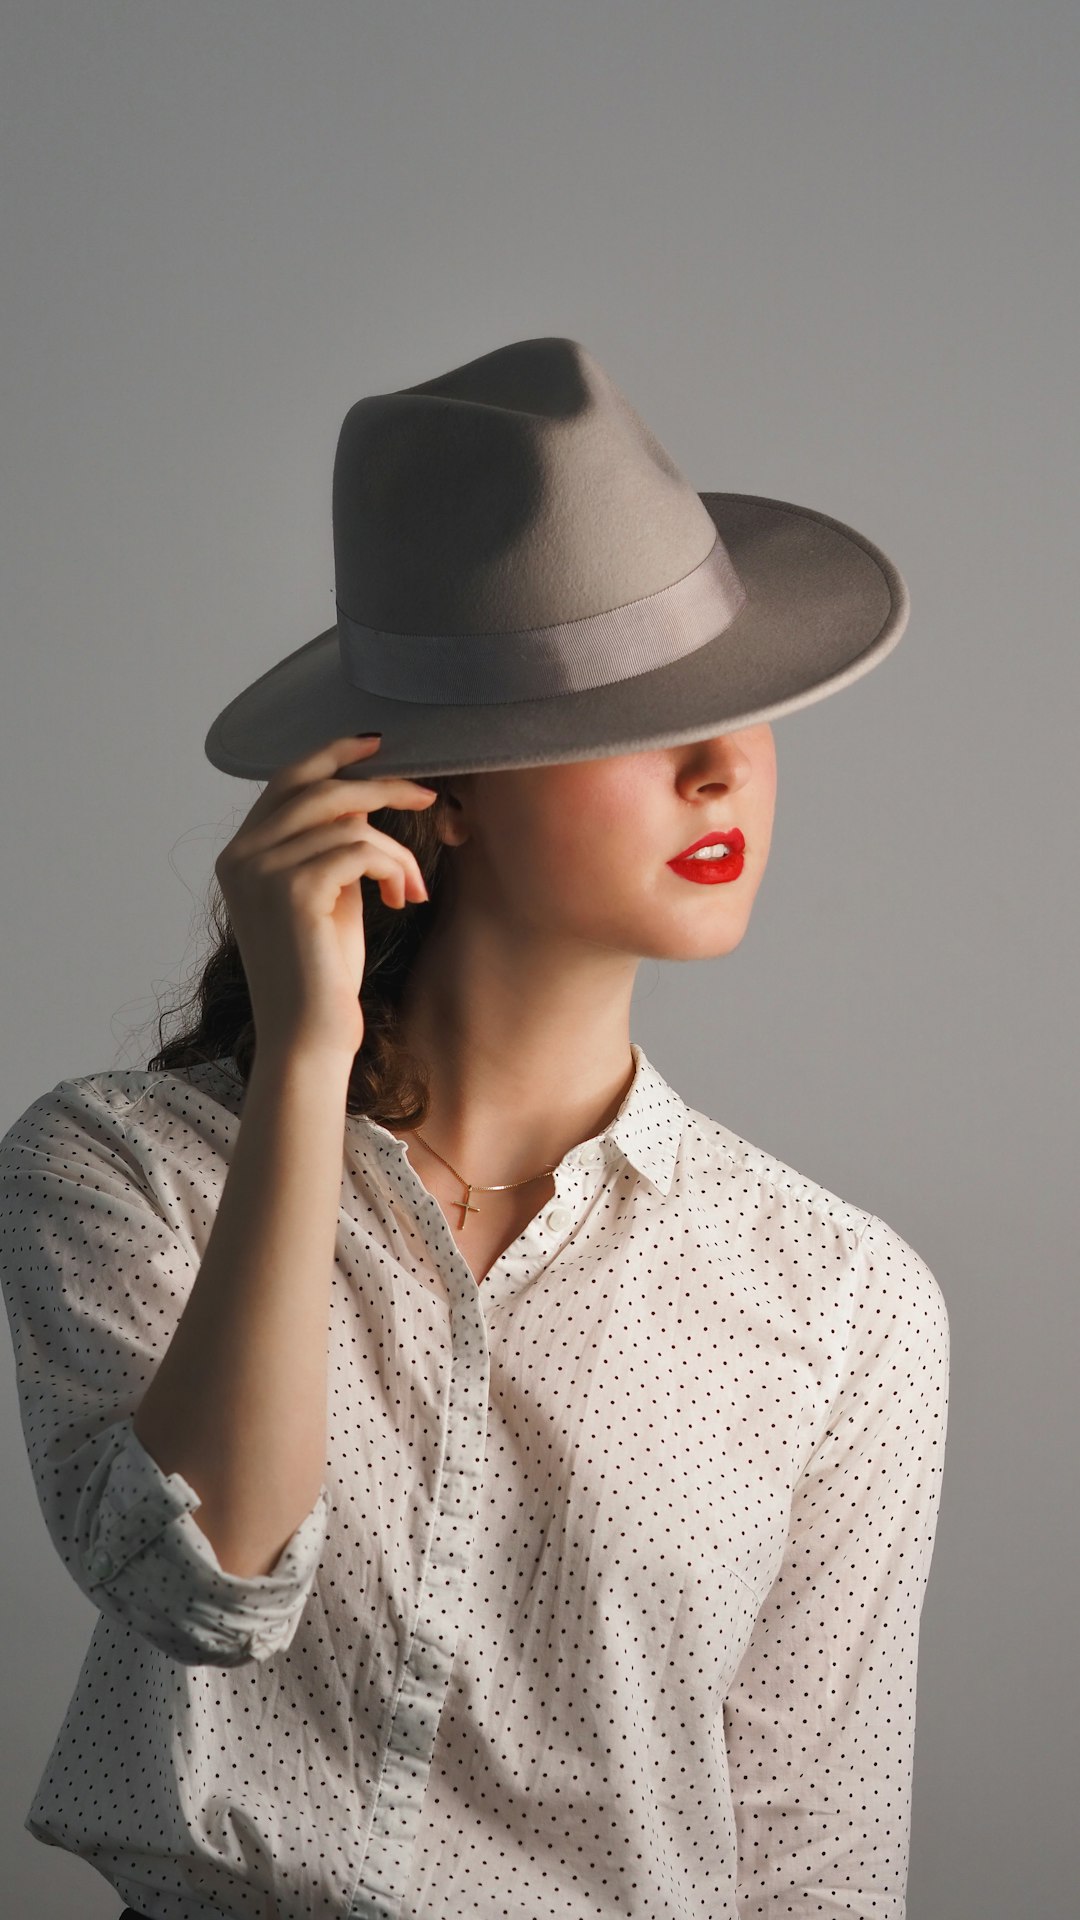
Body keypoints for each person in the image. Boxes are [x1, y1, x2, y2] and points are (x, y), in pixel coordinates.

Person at [0, 336, 949, 1920]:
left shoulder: (841, 1303)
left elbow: (819, 1866)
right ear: (439, 787)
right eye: (642, 721)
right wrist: (306, 1056)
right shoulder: (121, 1172)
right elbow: (205, 1584)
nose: (725, 771)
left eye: (741, 709)